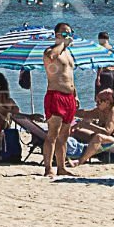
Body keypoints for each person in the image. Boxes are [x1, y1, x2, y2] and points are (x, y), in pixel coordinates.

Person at [42, 23, 78, 178]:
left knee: (64, 135)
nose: (68, 36)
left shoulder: (69, 54)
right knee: (53, 134)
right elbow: (51, 57)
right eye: (64, 33)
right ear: (56, 34)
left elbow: (70, 76)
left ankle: (61, 167)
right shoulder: (51, 51)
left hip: (69, 97)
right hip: (55, 95)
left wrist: (75, 95)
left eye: (70, 33)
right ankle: (48, 167)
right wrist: (62, 43)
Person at [71, 87, 114, 164]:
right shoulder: (101, 110)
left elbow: (107, 132)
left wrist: (89, 126)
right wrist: (70, 111)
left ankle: (81, 161)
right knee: (77, 132)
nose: (96, 104)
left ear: (107, 102)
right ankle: (71, 153)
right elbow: (86, 114)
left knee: (98, 137)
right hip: (109, 137)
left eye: (99, 102)